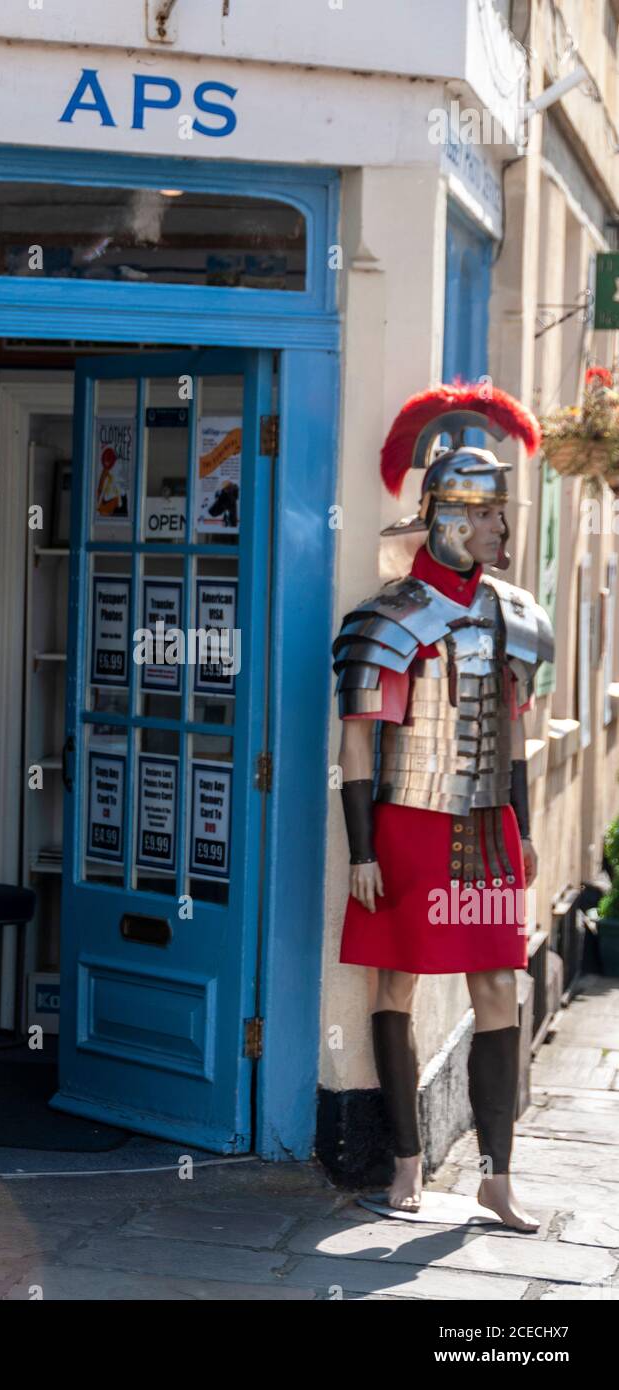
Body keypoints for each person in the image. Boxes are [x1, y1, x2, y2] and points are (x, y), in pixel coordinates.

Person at [333, 384, 554, 1232]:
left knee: (498, 987)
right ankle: (405, 1161)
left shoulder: (517, 617)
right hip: (407, 824)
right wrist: (360, 850)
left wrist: (525, 831)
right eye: (490, 516)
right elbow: (357, 747)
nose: (502, 533)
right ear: (452, 518)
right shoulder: (384, 621)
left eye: (502, 515)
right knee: (395, 984)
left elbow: (511, 737)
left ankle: (496, 1175)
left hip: (487, 829)